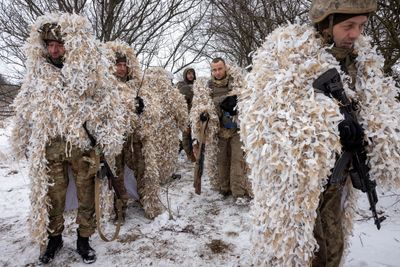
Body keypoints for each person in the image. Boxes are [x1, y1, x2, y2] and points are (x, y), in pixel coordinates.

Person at [239, 0, 400, 266]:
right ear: (326, 24)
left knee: (332, 246)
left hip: (340, 179)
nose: (356, 34)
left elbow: (379, 110)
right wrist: (331, 125)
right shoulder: (288, 56)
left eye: (361, 25)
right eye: (348, 26)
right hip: (299, 183)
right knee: (298, 249)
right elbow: (267, 115)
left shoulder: (362, 62)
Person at [12, 14, 127, 264]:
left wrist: (106, 137)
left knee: (87, 195)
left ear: (70, 45)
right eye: (49, 45)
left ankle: (84, 240)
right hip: (51, 145)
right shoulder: (37, 73)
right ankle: (54, 239)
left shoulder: (90, 71)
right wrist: (21, 138)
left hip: (82, 145)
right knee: (53, 196)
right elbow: (24, 106)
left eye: (59, 44)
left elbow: (109, 104)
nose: (53, 49)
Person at [104, 41, 164, 220]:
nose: (122, 69)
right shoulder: (106, 88)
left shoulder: (139, 86)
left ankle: (148, 203)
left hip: (137, 139)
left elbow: (154, 111)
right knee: (116, 175)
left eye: (124, 65)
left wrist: (143, 108)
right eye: (118, 64)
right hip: (117, 141)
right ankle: (118, 210)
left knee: (144, 171)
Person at [191, 58, 251, 198]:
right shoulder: (207, 87)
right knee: (222, 162)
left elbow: (248, 100)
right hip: (219, 131)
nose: (217, 72)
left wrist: (237, 105)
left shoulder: (236, 82)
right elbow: (201, 106)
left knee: (237, 161)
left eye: (220, 69)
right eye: (214, 69)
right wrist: (205, 114)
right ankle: (224, 189)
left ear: (225, 68)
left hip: (237, 130)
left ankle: (238, 193)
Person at [144, 67, 189, 184]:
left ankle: (156, 177)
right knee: (166, 154)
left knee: (156, 154)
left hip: (154, 131)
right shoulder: (172, 93)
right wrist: (182, 125)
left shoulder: (146, 93)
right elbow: (181, 113)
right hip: (168, 131)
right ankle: (165, 175)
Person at [177, 68, 196, 162]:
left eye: (192, 73)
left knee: (196, 135)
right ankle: (189, 154)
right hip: (185, 114)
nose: (190, 75)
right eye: (188, 73)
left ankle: (196, 153)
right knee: (186, 135)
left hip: (196, 114)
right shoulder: (181, 85)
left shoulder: (197, 85)